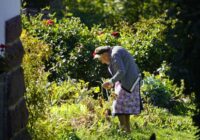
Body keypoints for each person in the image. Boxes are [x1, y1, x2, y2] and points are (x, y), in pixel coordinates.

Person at [93, 46, 142, 133]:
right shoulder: (114, 52)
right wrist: (113, 82)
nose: (102, 62)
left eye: (101, 59)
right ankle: (127, 131)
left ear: (104, 55)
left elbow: (121, 71)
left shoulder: (115, 54)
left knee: (118, 106)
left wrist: (111, 81)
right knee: (124, 108)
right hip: (129, 80)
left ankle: (123, 130)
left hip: (129, 81)